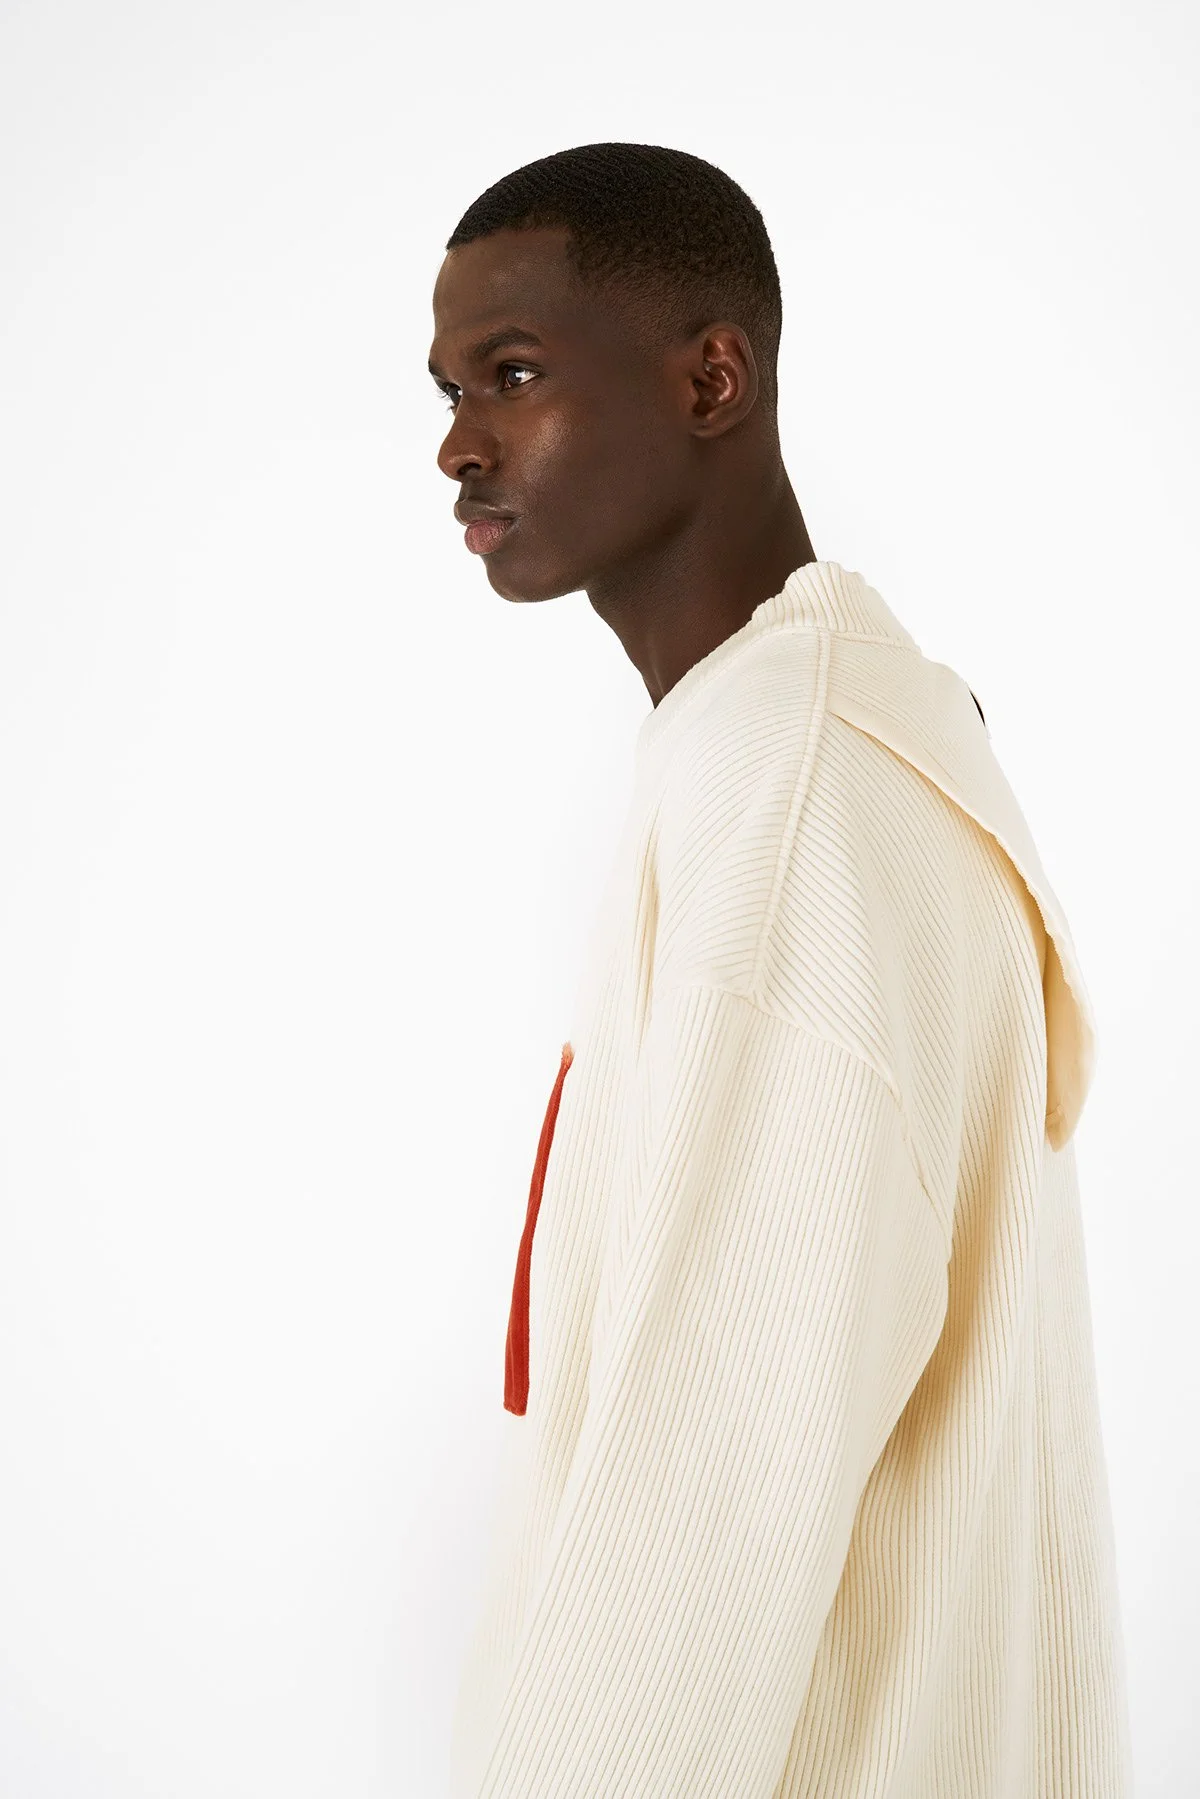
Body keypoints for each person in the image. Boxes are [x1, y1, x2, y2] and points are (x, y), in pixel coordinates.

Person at [430, 142, 1134, 1799]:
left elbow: (711, 1495)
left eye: (512, 375)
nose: (458, 446)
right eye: (451, 389)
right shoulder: (796, 737)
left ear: (711, 376)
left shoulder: (797, 796)